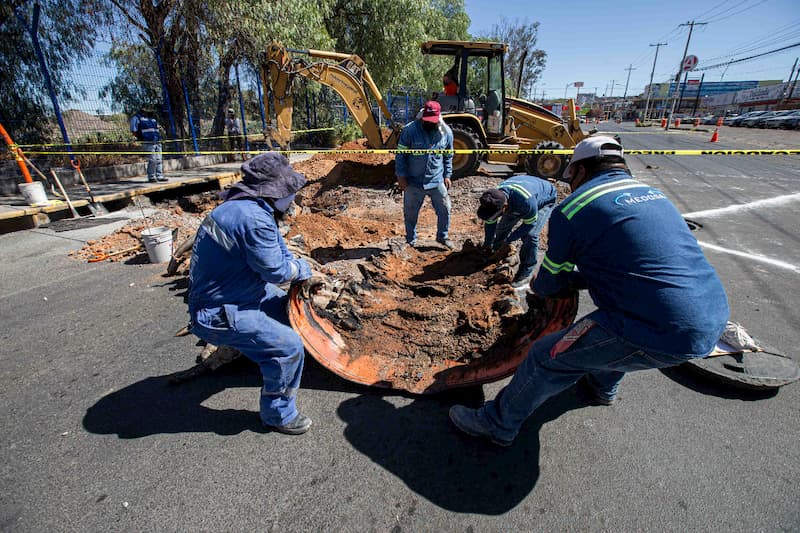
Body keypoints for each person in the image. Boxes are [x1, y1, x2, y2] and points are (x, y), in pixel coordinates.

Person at [449, 136, 729, 447]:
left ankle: (497, 424)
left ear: (579, 171)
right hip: (712, 312)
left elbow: (551, 281)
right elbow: (630, 267)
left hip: (661, 327)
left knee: (546, 356)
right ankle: (602, 388)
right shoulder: (653, 194)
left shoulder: (573, 208)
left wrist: (536, 290)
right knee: (608, 330)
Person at [188, 152, 315, 435]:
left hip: (237, 291)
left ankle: (259, 345)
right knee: (288, 347)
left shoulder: (244, 208)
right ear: (274, 192)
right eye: (290, 192)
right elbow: (277, 272)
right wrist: (301, 268)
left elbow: (278, 251)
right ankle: (278, 414)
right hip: (218, 311)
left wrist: (292, 263)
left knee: (286, 309)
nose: (292, 198)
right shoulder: (253, 219)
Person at [477, 175, 557, 289]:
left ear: (504, 207)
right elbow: (491, 222)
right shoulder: (495, 197)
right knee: (502, 228)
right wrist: (487, 244)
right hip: (522, 192)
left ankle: (526, 272)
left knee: (530, 235)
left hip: (545, 198)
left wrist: (509, 240)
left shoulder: (525, 202)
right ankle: (496, 256)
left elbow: (530, 224)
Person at [395, 100, 455, 250]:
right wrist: (400, 176)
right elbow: (400, 155)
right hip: (413, 182)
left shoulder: (446, 132)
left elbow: (448, 155)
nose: (429, 123)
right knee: (410, 212)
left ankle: (443, 237)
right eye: (427, 121)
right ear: (422, 117)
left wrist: (447, 175)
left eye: (432, 121)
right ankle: (411, 240)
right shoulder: (409, 131)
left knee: (445, 209)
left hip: (436, 180)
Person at [130, 107, 166, 183]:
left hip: (157, 141)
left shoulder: (152, 118)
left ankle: (159, 176)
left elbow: (156, 129)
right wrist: (142, 138)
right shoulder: (136, 118)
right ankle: (151, 176)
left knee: (159, 159)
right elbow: (134, 130)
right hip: (148, 142)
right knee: (153, 160)